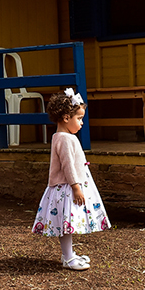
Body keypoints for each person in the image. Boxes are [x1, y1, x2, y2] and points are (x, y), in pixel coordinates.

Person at [31, 88, 110, 270]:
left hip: (68, 186)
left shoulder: (62, 137)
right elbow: (67, 166)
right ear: (66, 118)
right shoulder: (65, 139)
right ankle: (68, 257)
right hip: (67, 187)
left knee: (68, 224)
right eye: (79, 118)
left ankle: (69, 254)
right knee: (66, 224)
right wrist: (76, 187)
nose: (82, 123)